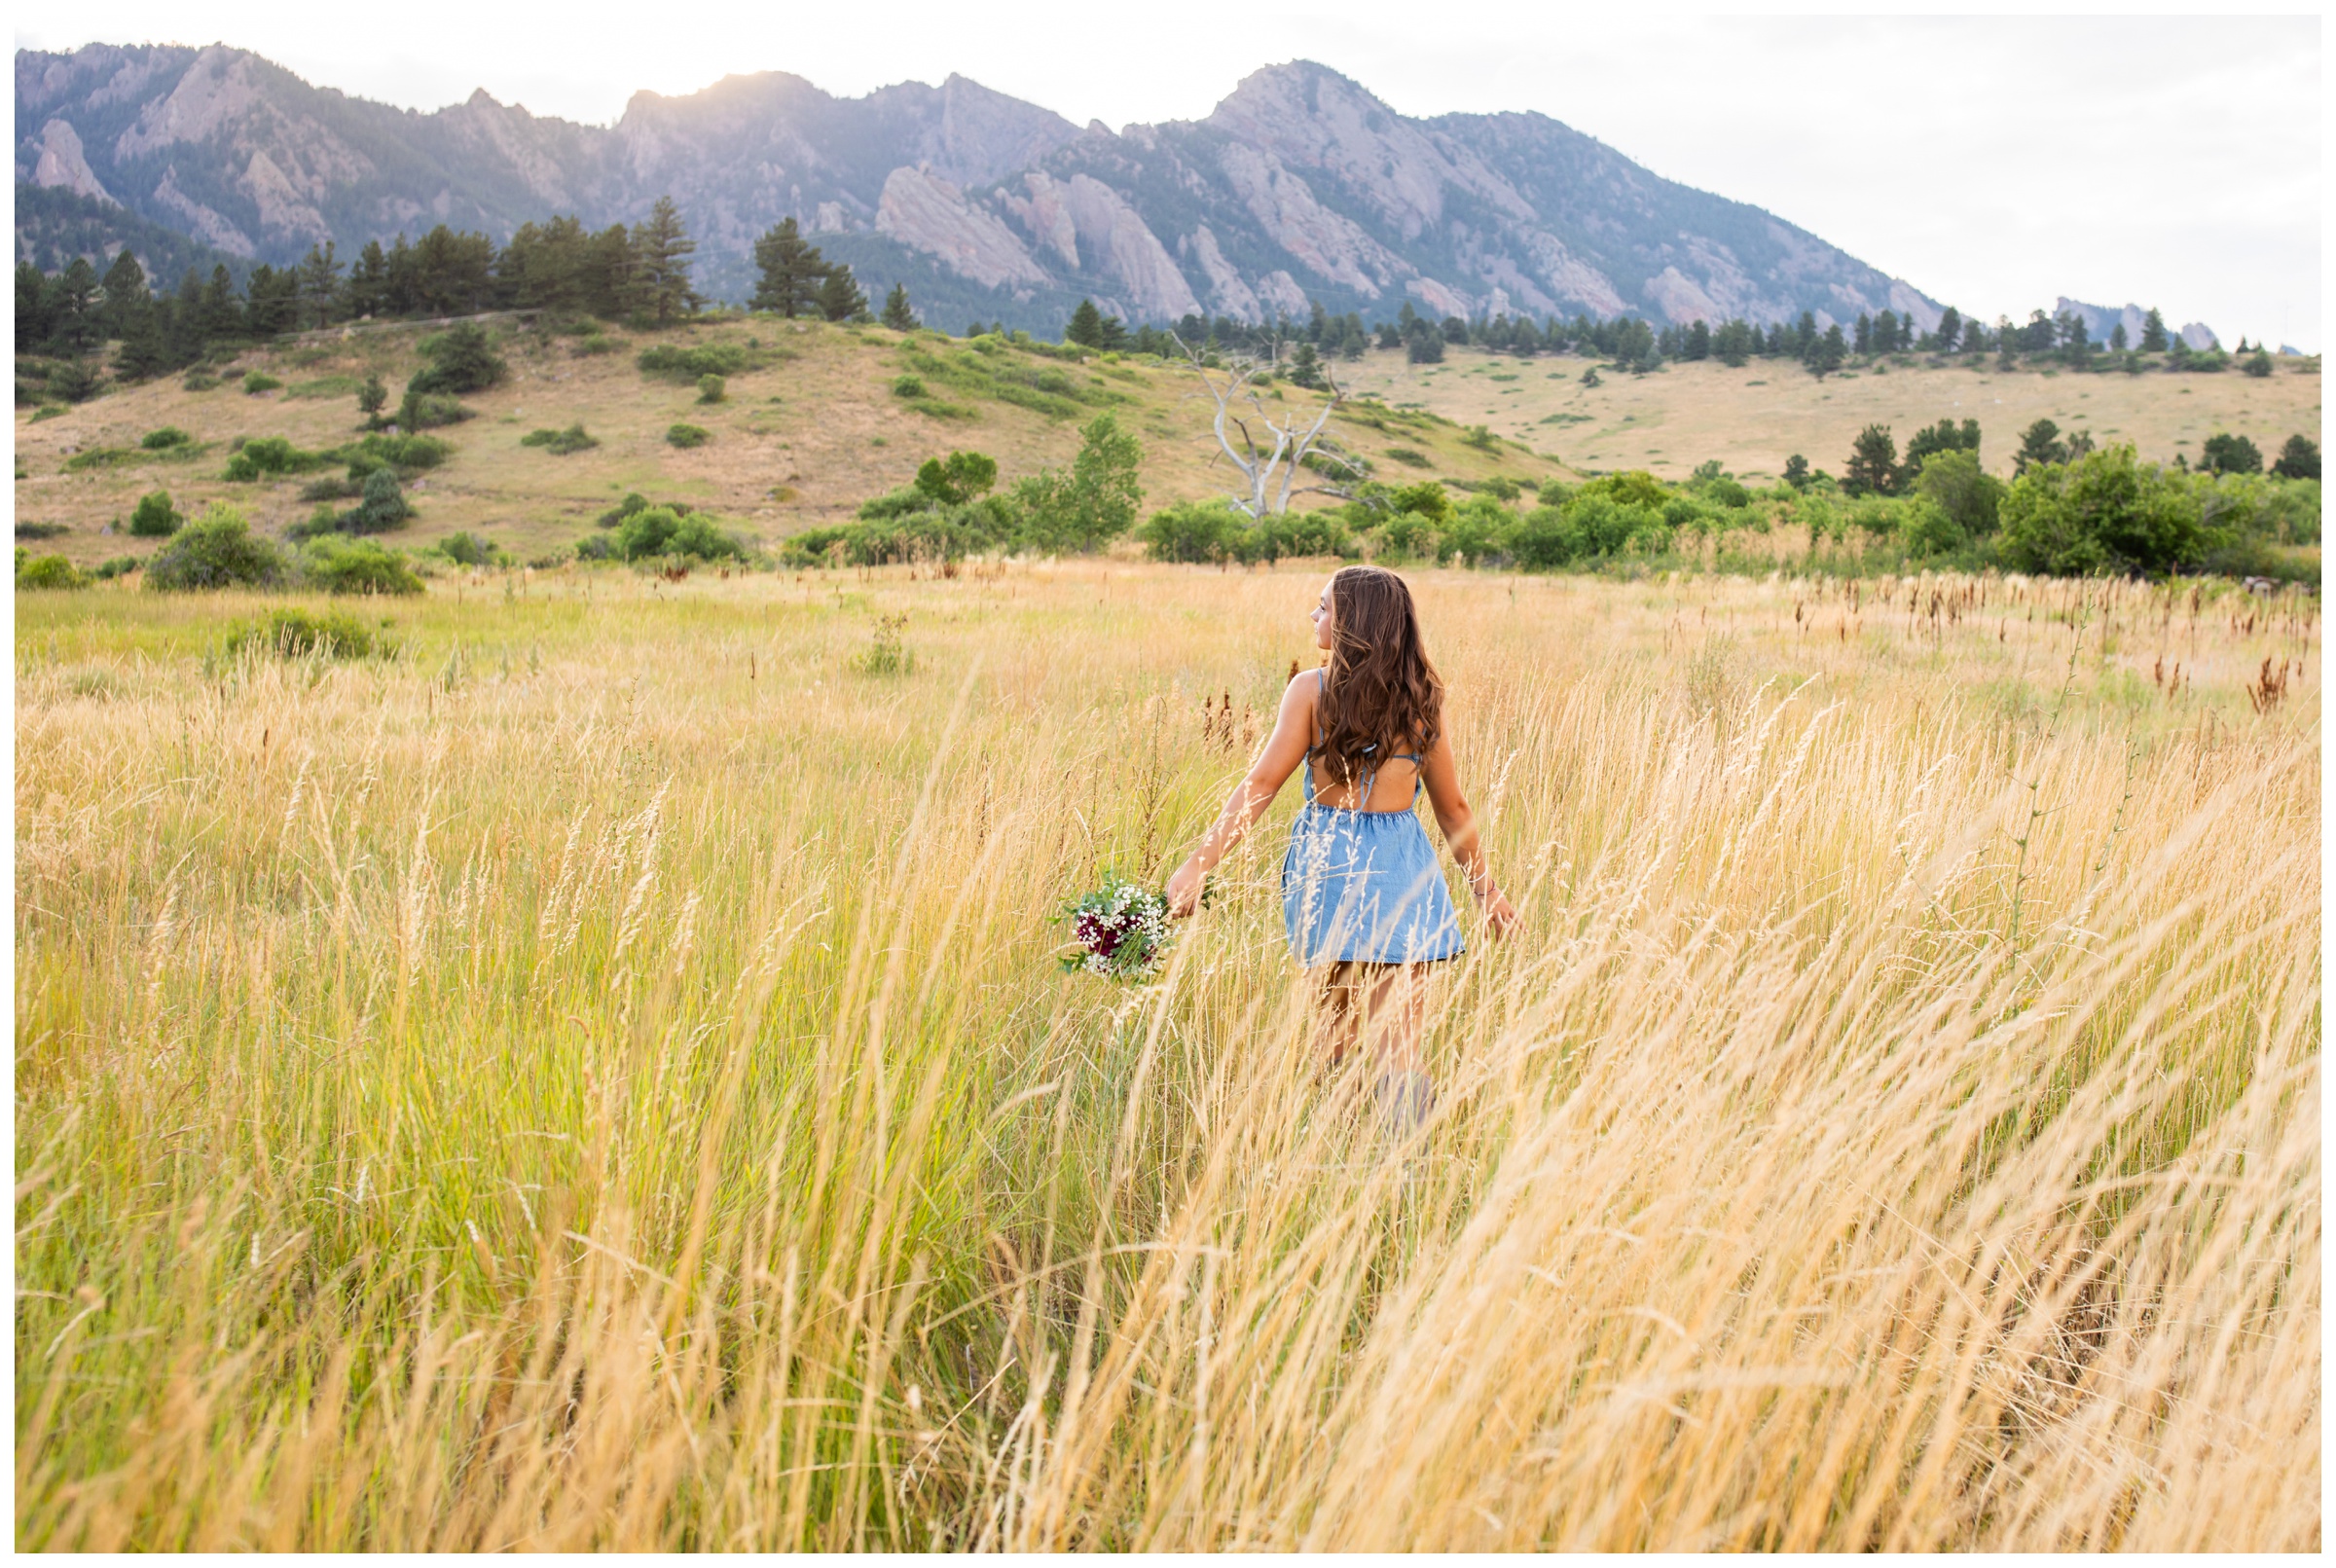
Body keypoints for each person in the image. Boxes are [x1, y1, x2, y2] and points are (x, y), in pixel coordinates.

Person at [1165, 565, 1519, 1131]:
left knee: (1335, 1032)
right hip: (1405, 874)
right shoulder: (1424, 698)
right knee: (1400, 1046)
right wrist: (1486, 891)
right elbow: (1452, 809)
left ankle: (1337, 1156)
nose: (1314, 615)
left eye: (1324, 607)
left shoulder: (1312, 689)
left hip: (1330, 869)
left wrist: (1197, 865)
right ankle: (1403, 1174)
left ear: (1354, 622)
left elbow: (1261, 785)